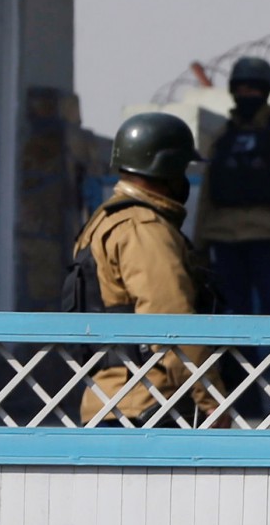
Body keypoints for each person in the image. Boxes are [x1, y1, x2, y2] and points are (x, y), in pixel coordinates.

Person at [65, 111, 216, 422]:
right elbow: (171, 319)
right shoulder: (144, 227)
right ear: (167, 169)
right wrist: (210, 397)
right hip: (149, 401)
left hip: (109, 401)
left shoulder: (104, 219)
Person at [196, 57, 270, 316]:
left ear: (265, 91)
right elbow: (208, 193)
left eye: (252, 89)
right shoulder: (222, 137)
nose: (245, 95)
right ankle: (237, 359)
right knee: (230, 312)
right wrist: (201, 242)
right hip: (224, 238)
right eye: (240, 89)